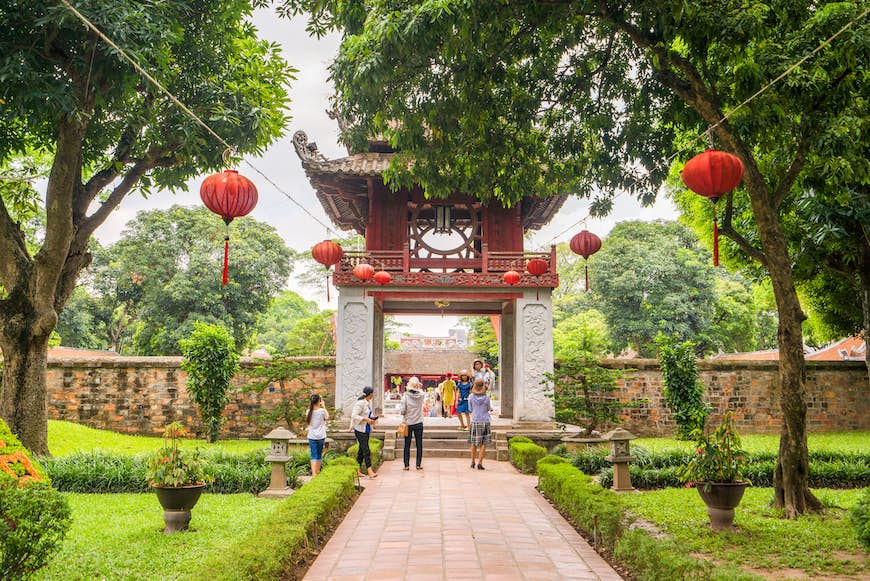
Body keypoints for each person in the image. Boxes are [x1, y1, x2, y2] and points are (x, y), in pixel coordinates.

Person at [350, 386, 378, 478]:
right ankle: (369, 470)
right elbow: (354, 415)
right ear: (370, 394)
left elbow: (369, 414)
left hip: (366, 429)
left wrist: (372, 419)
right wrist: (365, 419)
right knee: (366, 450)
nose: (373, 395)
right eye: (372, 393)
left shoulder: (367, 403)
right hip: (360, 430)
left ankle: (357, 471)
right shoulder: (360, 403)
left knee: (361, 451)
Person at [399, 376, 426, 470]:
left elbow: (402, 411)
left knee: (407, 445)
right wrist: (418, 386)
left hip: (408, 423)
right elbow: (421, 391)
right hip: (419, 422)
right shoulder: (421, 395)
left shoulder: (405, 396)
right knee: (419, 444)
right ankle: (418, 464)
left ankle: (406, 465)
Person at [468, 379, 493, 470]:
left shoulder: (471, 396)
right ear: (483, 386)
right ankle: (480, 463)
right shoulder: (487, 397)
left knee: (473, 443)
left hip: (475, 421)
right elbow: (489, 408)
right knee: (484, 443)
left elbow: (470, 409)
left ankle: (472, 462)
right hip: (485, 421)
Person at [306, 393, 329, 476]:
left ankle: (314, 473)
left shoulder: (308, 411)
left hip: (311, 435)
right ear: (319, 401)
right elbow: (327, 417)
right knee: (319, 454)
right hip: (321, 436)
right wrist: (323, 405)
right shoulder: (322, 411)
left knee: (313, 454)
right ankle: (317, 472)